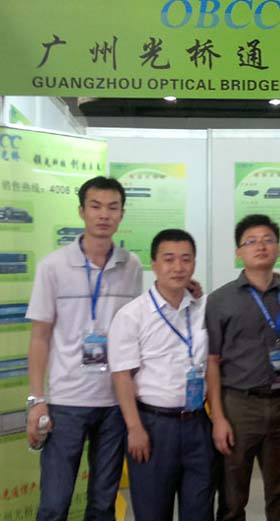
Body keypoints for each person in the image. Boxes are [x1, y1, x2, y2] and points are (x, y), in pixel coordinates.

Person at [26, 176, 143, 521]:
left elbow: (139, 326)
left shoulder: (132, 266)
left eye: (112, 207)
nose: (104, 215)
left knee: (103, 504)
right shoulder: (52, 266)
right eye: (95, 206)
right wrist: (37, 399)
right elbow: (40, 337)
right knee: (54, 504)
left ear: (122, 214)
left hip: (115, 403)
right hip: (66, 402)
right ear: (81, 211)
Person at [108, 229, 213, 521]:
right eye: (169, 259)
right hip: (154, 426)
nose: (178, 267)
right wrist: (134, 428)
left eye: (186, 259)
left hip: (197, 423)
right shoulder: (133, 315)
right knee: (153, 513)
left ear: (194, 264)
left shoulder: (204, 308)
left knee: (200, 511)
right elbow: (122, 376)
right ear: (153, 264)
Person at [206, 214, 280, 521]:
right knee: (231, 496)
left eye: (268, 240)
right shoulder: (219, 300)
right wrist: (218, 417)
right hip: (238, 405)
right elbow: (211, 361)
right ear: (239, 252)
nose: (260, 246)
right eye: (251, 241)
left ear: (278, 249)